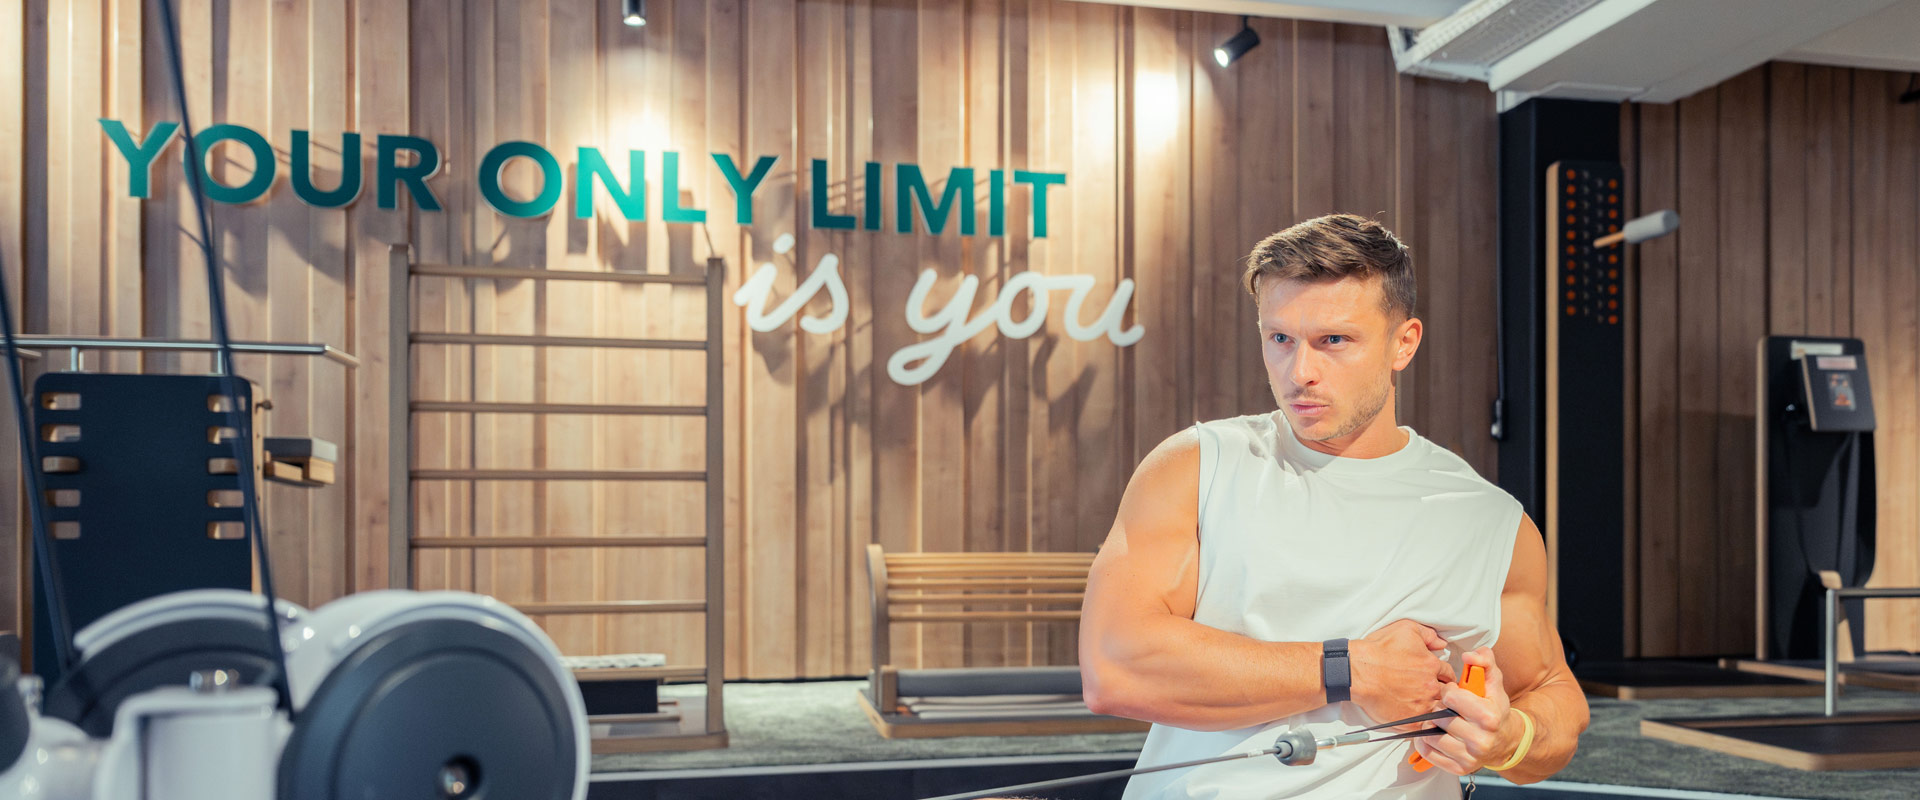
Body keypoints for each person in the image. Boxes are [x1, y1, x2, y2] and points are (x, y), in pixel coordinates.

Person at [1079, 214, 1589, 799]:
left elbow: (1553, 696)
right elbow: (1114, 667)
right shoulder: (1198, 467)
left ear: (1404, 343)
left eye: (1334, 341)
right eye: (1280, 339)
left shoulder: (1487, 520)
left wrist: (1508, 739)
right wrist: (1350, 670)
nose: (1300, 372)